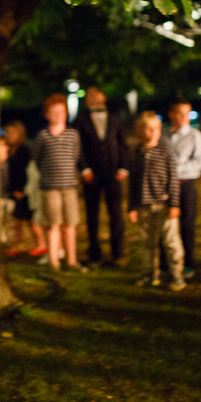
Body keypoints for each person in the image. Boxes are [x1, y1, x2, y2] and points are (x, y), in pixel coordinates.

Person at [128, 112, 186, 290]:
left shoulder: (165, 153)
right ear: (139, 131)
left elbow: (173, 180)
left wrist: (174, 204)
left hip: (164, 205)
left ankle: (177, 275)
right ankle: (149, 275)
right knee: (147, 242)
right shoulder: (136, 154)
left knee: (171, 241)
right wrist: (132, 206)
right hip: (144, 206)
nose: (152, 132)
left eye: (156, 128)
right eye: (148, 128)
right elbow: (133, 183)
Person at [73, 88, 130, 267]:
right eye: (89, 97)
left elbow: (122, 144)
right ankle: (94, 253)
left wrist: (123, 167)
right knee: (92, 214)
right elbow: (78, 146)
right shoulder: (80, 120)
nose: (93, 99)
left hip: (113, 171)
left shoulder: (115, 118)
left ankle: (118, 253)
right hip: (91, 173)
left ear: (103, 97)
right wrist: (84, 169)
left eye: (96, 96)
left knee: (116, 213)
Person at [31, 94, 86, 273]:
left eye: (61, 112)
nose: (58, 115)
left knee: (70, 224)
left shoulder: (73, 135)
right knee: (52, 224)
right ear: (47, 114)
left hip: (69, 186)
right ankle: (53, 261)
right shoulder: (43, 136)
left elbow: (75, 156)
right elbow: (37, 159)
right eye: (54, 112)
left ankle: (72, 261)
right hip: (49, 187)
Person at [167, 98, 201, 278]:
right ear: (171, 115)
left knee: (187, 223)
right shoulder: (162, 135)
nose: (183, 118)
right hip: (166, 186)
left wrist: (177, 171)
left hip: (186, 184)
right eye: (179, 113)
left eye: (187, 114)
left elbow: (200, 161)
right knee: (166, 224)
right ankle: (165, 262)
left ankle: (188, 262)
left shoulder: (195, 136)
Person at [3, 120, 47, 257]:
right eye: (7, 133)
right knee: (16, 221)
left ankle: (41, 244)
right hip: (13, 191)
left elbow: (26, 172)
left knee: (31, 220)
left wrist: (21, 189)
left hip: (23, 191)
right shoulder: (9, 150)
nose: (9, 135)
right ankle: (18, 243)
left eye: (12, 132)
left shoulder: (24, 151)